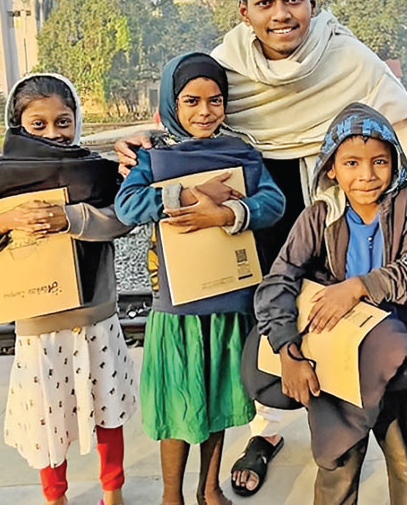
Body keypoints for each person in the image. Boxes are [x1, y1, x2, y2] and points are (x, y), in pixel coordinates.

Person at [114, 0, 407, 495]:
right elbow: (192, 125)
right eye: (266, 3)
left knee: (345, 325)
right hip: (264, 210)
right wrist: (145, 147)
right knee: (272, 310)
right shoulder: (227, 69)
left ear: (311, 2)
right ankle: (266, 431)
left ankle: (362, 409)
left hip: (348, 196)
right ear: (244, 10)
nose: (281, 14)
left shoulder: (346, 58)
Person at [0, 74, 137, 505]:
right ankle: (55, 497)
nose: (54, 133)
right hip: (38, 327)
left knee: (108, 413)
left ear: (77, 122)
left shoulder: (97, 172)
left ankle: (113, 493)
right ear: (18, 125)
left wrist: (70, 218)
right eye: (39, 124)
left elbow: (123, 220)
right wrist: (3, 222)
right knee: (46, 420)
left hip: (95, 317)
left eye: (64, 122)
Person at [113, 52, 285, 505]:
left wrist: (228, 212)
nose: (205, 111)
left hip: (228, 303)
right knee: (178, 407)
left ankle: (208, 489)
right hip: (179, 309)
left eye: (215, 100)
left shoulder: (241, 154)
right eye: (191, 100)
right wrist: (186, 193)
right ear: (171, 103)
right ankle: (173, 496)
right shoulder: (153, 158)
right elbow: (129, 207)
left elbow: (274, 203)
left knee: (218, 404)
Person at [255, 102, 407, 504]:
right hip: (336, 363)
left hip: (397, 364)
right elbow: (279, 280)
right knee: (336, 467)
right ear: (331, 168)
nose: (366, 175)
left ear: (395, 163)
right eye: (352, 163)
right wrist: (288, 349)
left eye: (379, 161)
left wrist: (359, 285)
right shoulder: (320, 214)